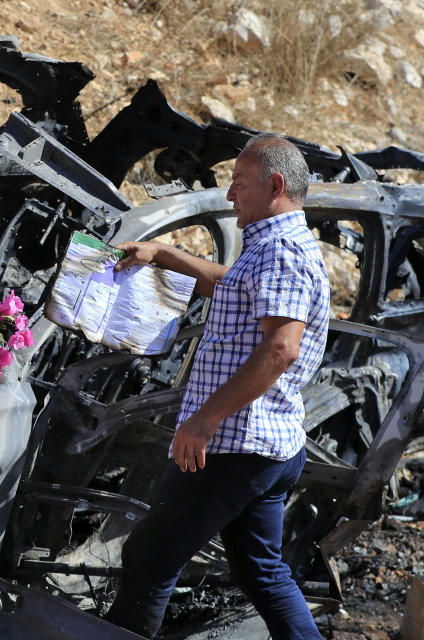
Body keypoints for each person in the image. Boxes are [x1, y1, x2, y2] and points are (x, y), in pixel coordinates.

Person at [103, 133, 330, 639]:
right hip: (267, 445)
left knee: (149, 559)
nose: (230, 196)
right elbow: (229, 284)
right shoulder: (274, 246)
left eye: (239, 185)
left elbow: (281, 348)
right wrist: (163, 253)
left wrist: (205, 420)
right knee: (262, 572)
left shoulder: (284, 252)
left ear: (274, 185)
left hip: (234, 446)